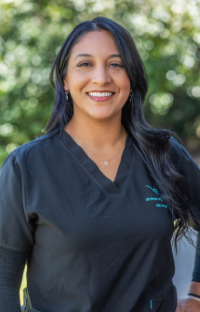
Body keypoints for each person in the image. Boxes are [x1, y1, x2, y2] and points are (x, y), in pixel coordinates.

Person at [0, 16, 200, 312]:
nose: (101, 77)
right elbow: (4, 277)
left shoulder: (164, 154)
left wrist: (196, 295)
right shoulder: (27, 166)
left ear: (131, 79)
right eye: (85, 64)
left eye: (115, 64)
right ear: (65, 80)